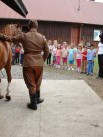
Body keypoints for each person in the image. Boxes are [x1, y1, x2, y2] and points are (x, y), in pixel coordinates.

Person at [0, 19, 49, 110]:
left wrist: (1, 35)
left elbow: (10, 38)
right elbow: (47, 51)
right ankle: (37, 99)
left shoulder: (24, 36)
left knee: (31, 84)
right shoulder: (42, 37)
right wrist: (42, 60)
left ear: (29, 26)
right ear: (36, 26)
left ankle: (33, 103)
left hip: (28, 63)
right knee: (38, 82)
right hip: (39, 63)